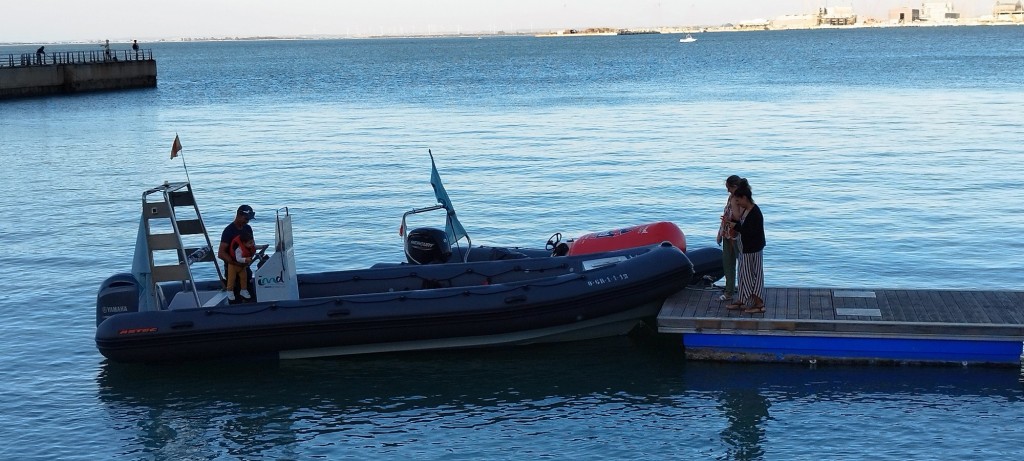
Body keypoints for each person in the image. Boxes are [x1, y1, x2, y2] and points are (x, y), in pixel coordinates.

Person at [726, 183, 766, 314]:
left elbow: (749, 231)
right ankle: (743, 300)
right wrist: (732, 224)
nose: (737, 203)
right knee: (743, 276)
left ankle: (759, 304)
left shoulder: (755, 213)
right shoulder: (747, 211)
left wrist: (734, 226)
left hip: (752, 250)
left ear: (745, 198)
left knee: (753, 277)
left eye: (738, 200)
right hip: (745, 249)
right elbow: (743, 226)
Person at [716, 175, 743, 302]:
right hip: (727, 234)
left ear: (735, 187)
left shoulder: (741, 200)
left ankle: (745, 292)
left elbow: (739, 219)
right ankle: (729, 291)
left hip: (737, 236)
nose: (727, 190)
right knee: (728, 263)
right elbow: (726, 215)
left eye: (729, 188)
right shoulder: (731, 197)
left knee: (742, 265)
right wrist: (720, 233)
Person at [219, 205, 255, 299]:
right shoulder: (228, 231)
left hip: (245, 267)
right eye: (245, 218)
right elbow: (221, 253)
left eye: (249, 219)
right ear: (238, 215)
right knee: (235, 297)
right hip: (232, 268)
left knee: (249, 292)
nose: (247, 221)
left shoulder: (248, 228)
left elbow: (251, 246)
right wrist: (236, 263)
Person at [225, 228, 257, 301]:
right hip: (234, 266)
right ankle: (229, 291)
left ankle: (243, 290)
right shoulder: (239, 249)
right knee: (231, 279)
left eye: (253, 242)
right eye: (250, 243)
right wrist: (246, 259)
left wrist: (263, 246)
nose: (252, 244)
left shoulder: (250, 246)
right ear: (244, 243)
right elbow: (238, 259)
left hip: (242, 267)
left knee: (244, 278)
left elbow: (255, 247)